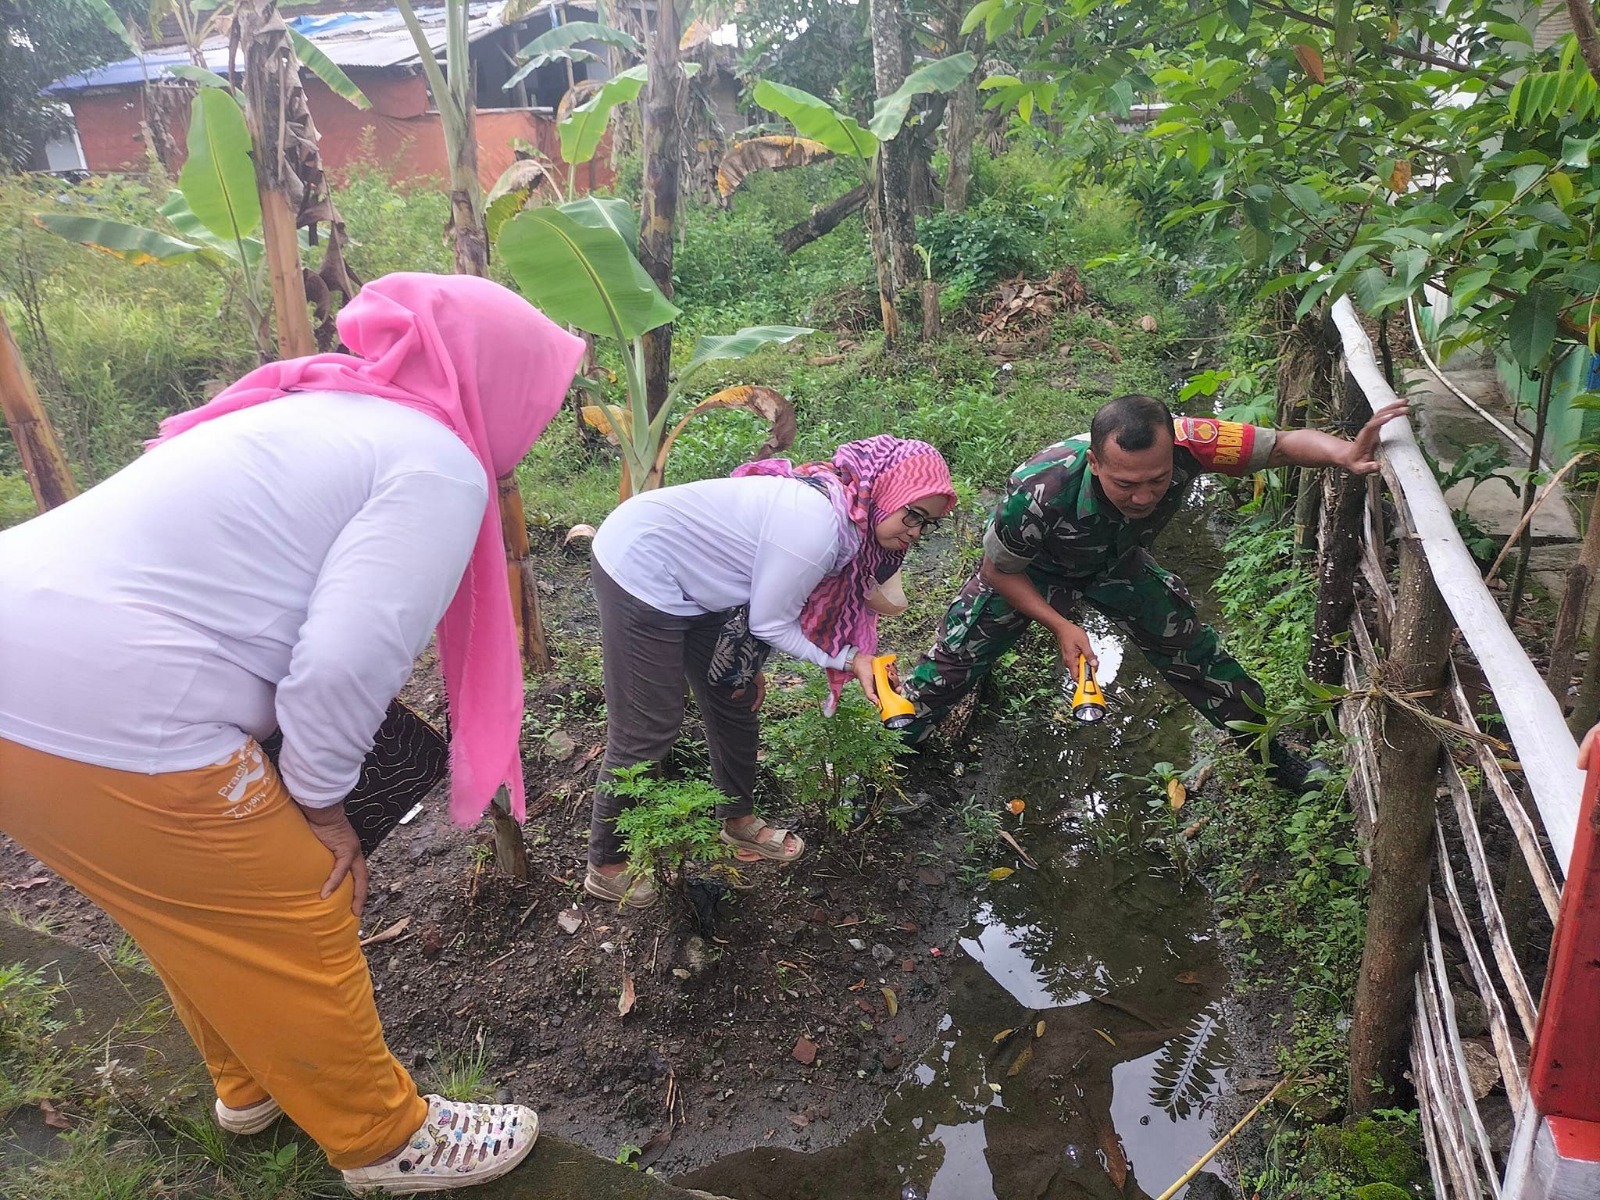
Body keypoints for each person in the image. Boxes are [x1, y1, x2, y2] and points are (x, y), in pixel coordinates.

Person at [0, 273, 585, 1192]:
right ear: (498, 382)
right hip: (120, 706)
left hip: (22, 688)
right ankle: (384, 1140)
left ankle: (250, 1085)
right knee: (295, 902)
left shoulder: (309, 404)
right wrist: (319, 806)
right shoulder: (433, 461)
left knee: (183, 905)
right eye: (539, 400)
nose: (537, 425)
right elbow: (343, 665)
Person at [899, 393, 1410, 787]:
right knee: (955, 659)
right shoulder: (1040, 488)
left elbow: (1279, 445)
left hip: (1117, 563)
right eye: (1125, 484)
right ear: (1096, 464)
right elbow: (998, 571)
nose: (1143, 497)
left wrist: (1343, 453)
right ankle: (898, 752)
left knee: (1194, 651)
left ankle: (1271, 756)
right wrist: (1060, 625)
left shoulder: (1196, 439)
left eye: (1158, 480)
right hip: (1033, 572)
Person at [585, 436, 957, 908]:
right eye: (912, 515)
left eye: (928, 524)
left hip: (705, 579)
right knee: (648, 727)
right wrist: (847, 658)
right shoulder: (818, 530)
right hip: (642, 565)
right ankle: (606, 865)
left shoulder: (849, 526)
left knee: (734, 696)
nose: (916, 532)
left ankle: (737, 822)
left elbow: (760, 591)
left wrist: (745, 662)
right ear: (884, 492)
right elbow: (769, 621)